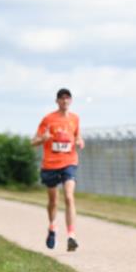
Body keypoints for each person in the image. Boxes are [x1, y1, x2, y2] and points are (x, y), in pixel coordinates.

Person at [32, 88, 83, 251]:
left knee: (69, 196)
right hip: (50, 164)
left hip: (69, 162)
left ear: (71, 101)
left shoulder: (75, 119)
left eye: (67, 98)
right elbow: (33, 141)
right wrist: (43, 139)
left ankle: (71, 236)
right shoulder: (48, 119)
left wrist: (80, 141)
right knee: (53, 201)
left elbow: (77, 136)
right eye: (61, 98)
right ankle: (52, 227)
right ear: (57, 101)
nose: (65, 101)